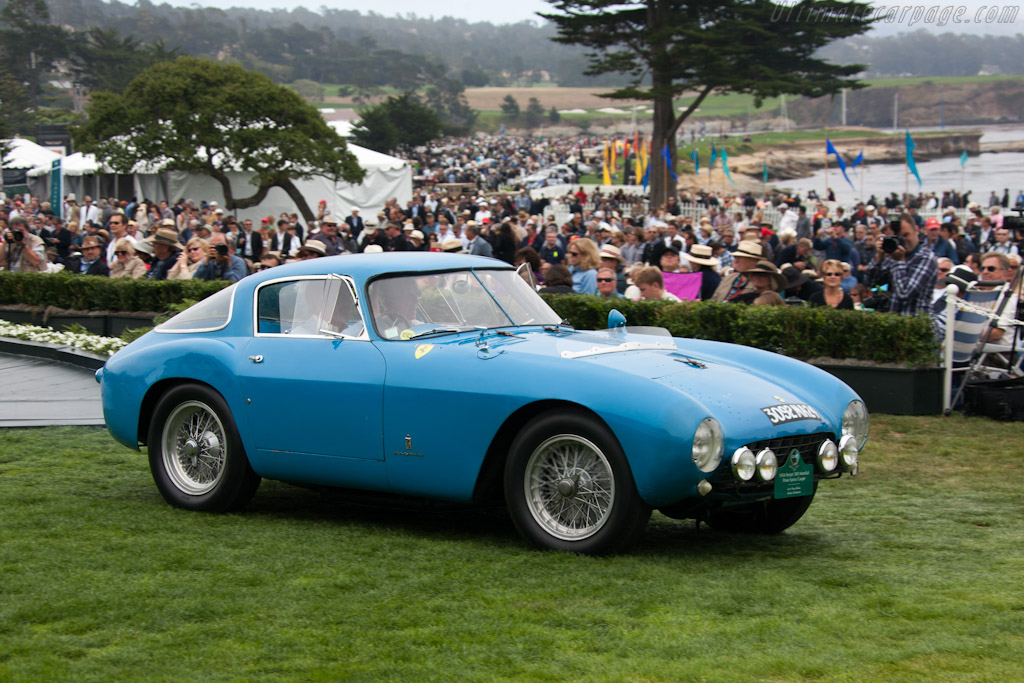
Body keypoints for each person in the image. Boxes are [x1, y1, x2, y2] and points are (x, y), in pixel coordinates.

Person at [866, 213, 938, 316]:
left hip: (916, 323)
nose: (902, 240)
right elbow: (872, 284)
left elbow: (905, 293)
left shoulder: (926, 257)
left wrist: (899, 261)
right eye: (898, 237)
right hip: (894, 322)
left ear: (916, 230)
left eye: (906, 235)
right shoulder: (894, 254)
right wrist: (879, 257)